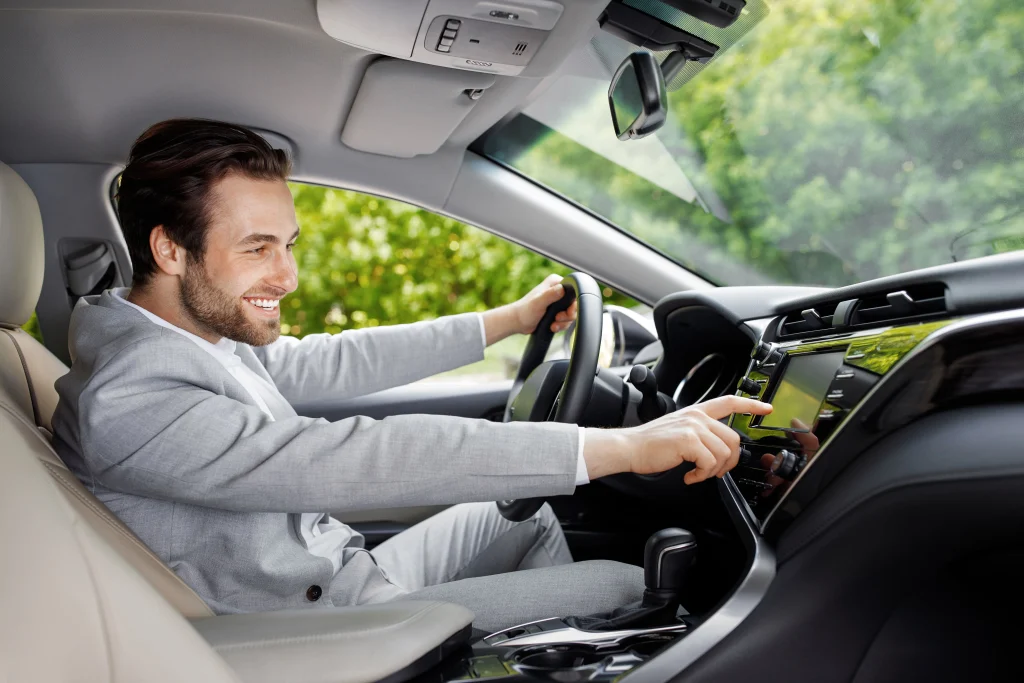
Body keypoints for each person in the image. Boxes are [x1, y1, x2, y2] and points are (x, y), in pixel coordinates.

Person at [52, 118, 772, 631]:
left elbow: (326, 359)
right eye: (258, 248)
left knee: (518, 510)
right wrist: (616, 447)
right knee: (624, 586)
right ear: (171, 250)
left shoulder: (184, 331)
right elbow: (351, 458)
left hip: (340, 570)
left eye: (291, 244)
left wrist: (502, 322)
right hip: (317, 623)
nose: (289, 275)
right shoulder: (132, 397)